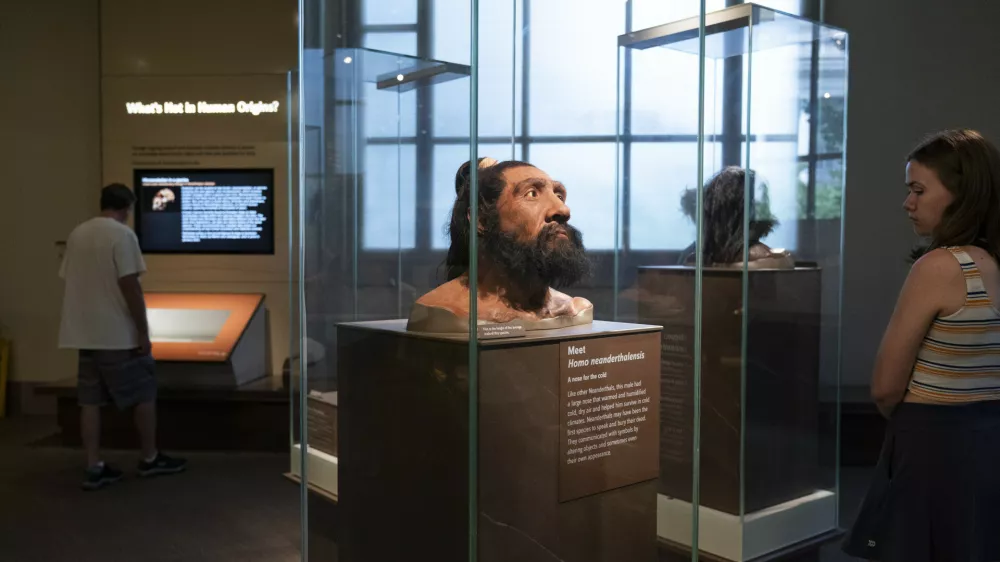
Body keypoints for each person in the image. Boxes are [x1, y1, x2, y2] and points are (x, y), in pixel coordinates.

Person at [843, 129, 1000, 561]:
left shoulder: (941, 266)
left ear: (961, 193)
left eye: (918, 189)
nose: (907, 203)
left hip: (933, 443)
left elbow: (885, 387)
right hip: (988, 441)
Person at [58, 183, 186, 491]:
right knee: (143, 393)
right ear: (126, 208)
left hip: (84, 333)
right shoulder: (122, 235)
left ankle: (93, 465)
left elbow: (69, 277)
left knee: (89, 402)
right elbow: (130, 285)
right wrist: (143, 331)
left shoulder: (79, 233)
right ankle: (149, 457)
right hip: (117, 335)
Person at [407, 157, 593, 332]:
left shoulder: (575, 309)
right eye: (532, 193)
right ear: (482, 221)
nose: (563, 210)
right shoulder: (446, 311)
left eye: (559, 195)